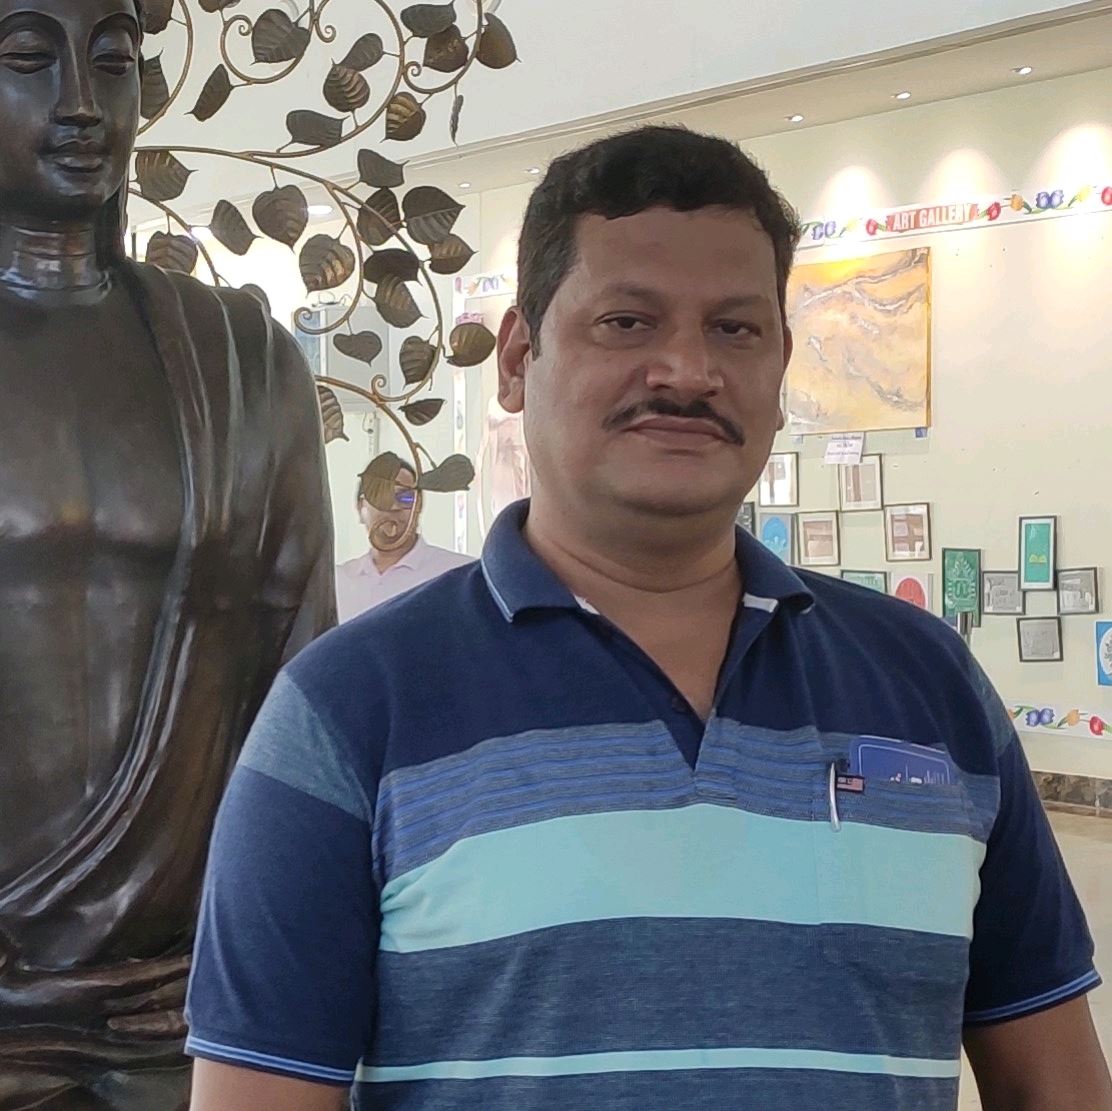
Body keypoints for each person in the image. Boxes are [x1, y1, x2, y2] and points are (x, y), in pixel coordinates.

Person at [186, 126, 1112, 1111]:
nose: (686, 370)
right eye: (627, 322)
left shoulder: (928, 682)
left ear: (780, 365)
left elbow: (1056, 1083)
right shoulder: (347, 708)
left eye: (735, 329)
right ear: (517, 358)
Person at [0, 0, 334, 1106]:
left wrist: (257, 930)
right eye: (29, 57)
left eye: (113, 60)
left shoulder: (244, 360)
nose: (81, 103)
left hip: (186, 994)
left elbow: (301, 686)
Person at [335, 454, 474, 622]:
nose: (393, 506)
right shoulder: (336, 583)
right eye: (380, 496)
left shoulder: (460, 575)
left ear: (419, 505)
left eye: (405, 497)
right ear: (360, 508)